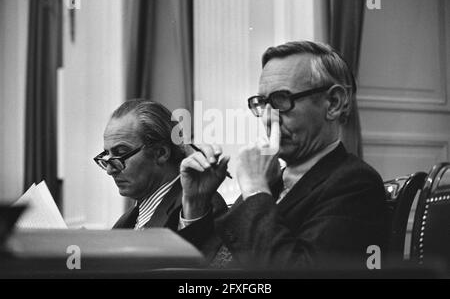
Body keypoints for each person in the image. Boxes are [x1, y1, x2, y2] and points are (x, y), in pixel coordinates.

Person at [179, 41, 389, 270]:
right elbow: (210, 263)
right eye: (262, 103)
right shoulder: (273, 178)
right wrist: (195, 204)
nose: (268, 119)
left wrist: (256, 190)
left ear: (333, 104)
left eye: (282, 100)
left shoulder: (354, 183)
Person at [94, 99, 227, 258]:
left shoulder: (201, 203)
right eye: (107, 157)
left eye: (121, 153)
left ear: (161, 153)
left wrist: (193, 208)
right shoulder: (126, 222)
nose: (110, 170)